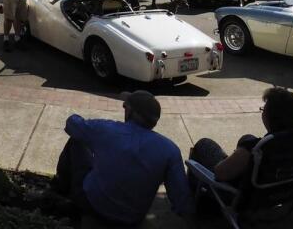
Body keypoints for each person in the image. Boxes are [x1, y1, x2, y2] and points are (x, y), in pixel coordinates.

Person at [54, 91, 192, 225]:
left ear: (131, 112)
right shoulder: (170, 149)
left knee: (77, 140)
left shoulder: (107, 129)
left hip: (92, 205)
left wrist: (80, 121)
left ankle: (60, 189)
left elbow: (71, 124)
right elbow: (181, 202)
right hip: (132, 219)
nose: (124, 109)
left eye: (125, 107)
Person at [189, 87, 293, 193]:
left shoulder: (256, 149)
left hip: (238, 194)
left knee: (204, 144)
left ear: (269, 117)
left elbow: (219, 173)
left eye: (264, 110)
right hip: (280, 188)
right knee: (247, 138)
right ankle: (235, 161)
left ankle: (192, 195)